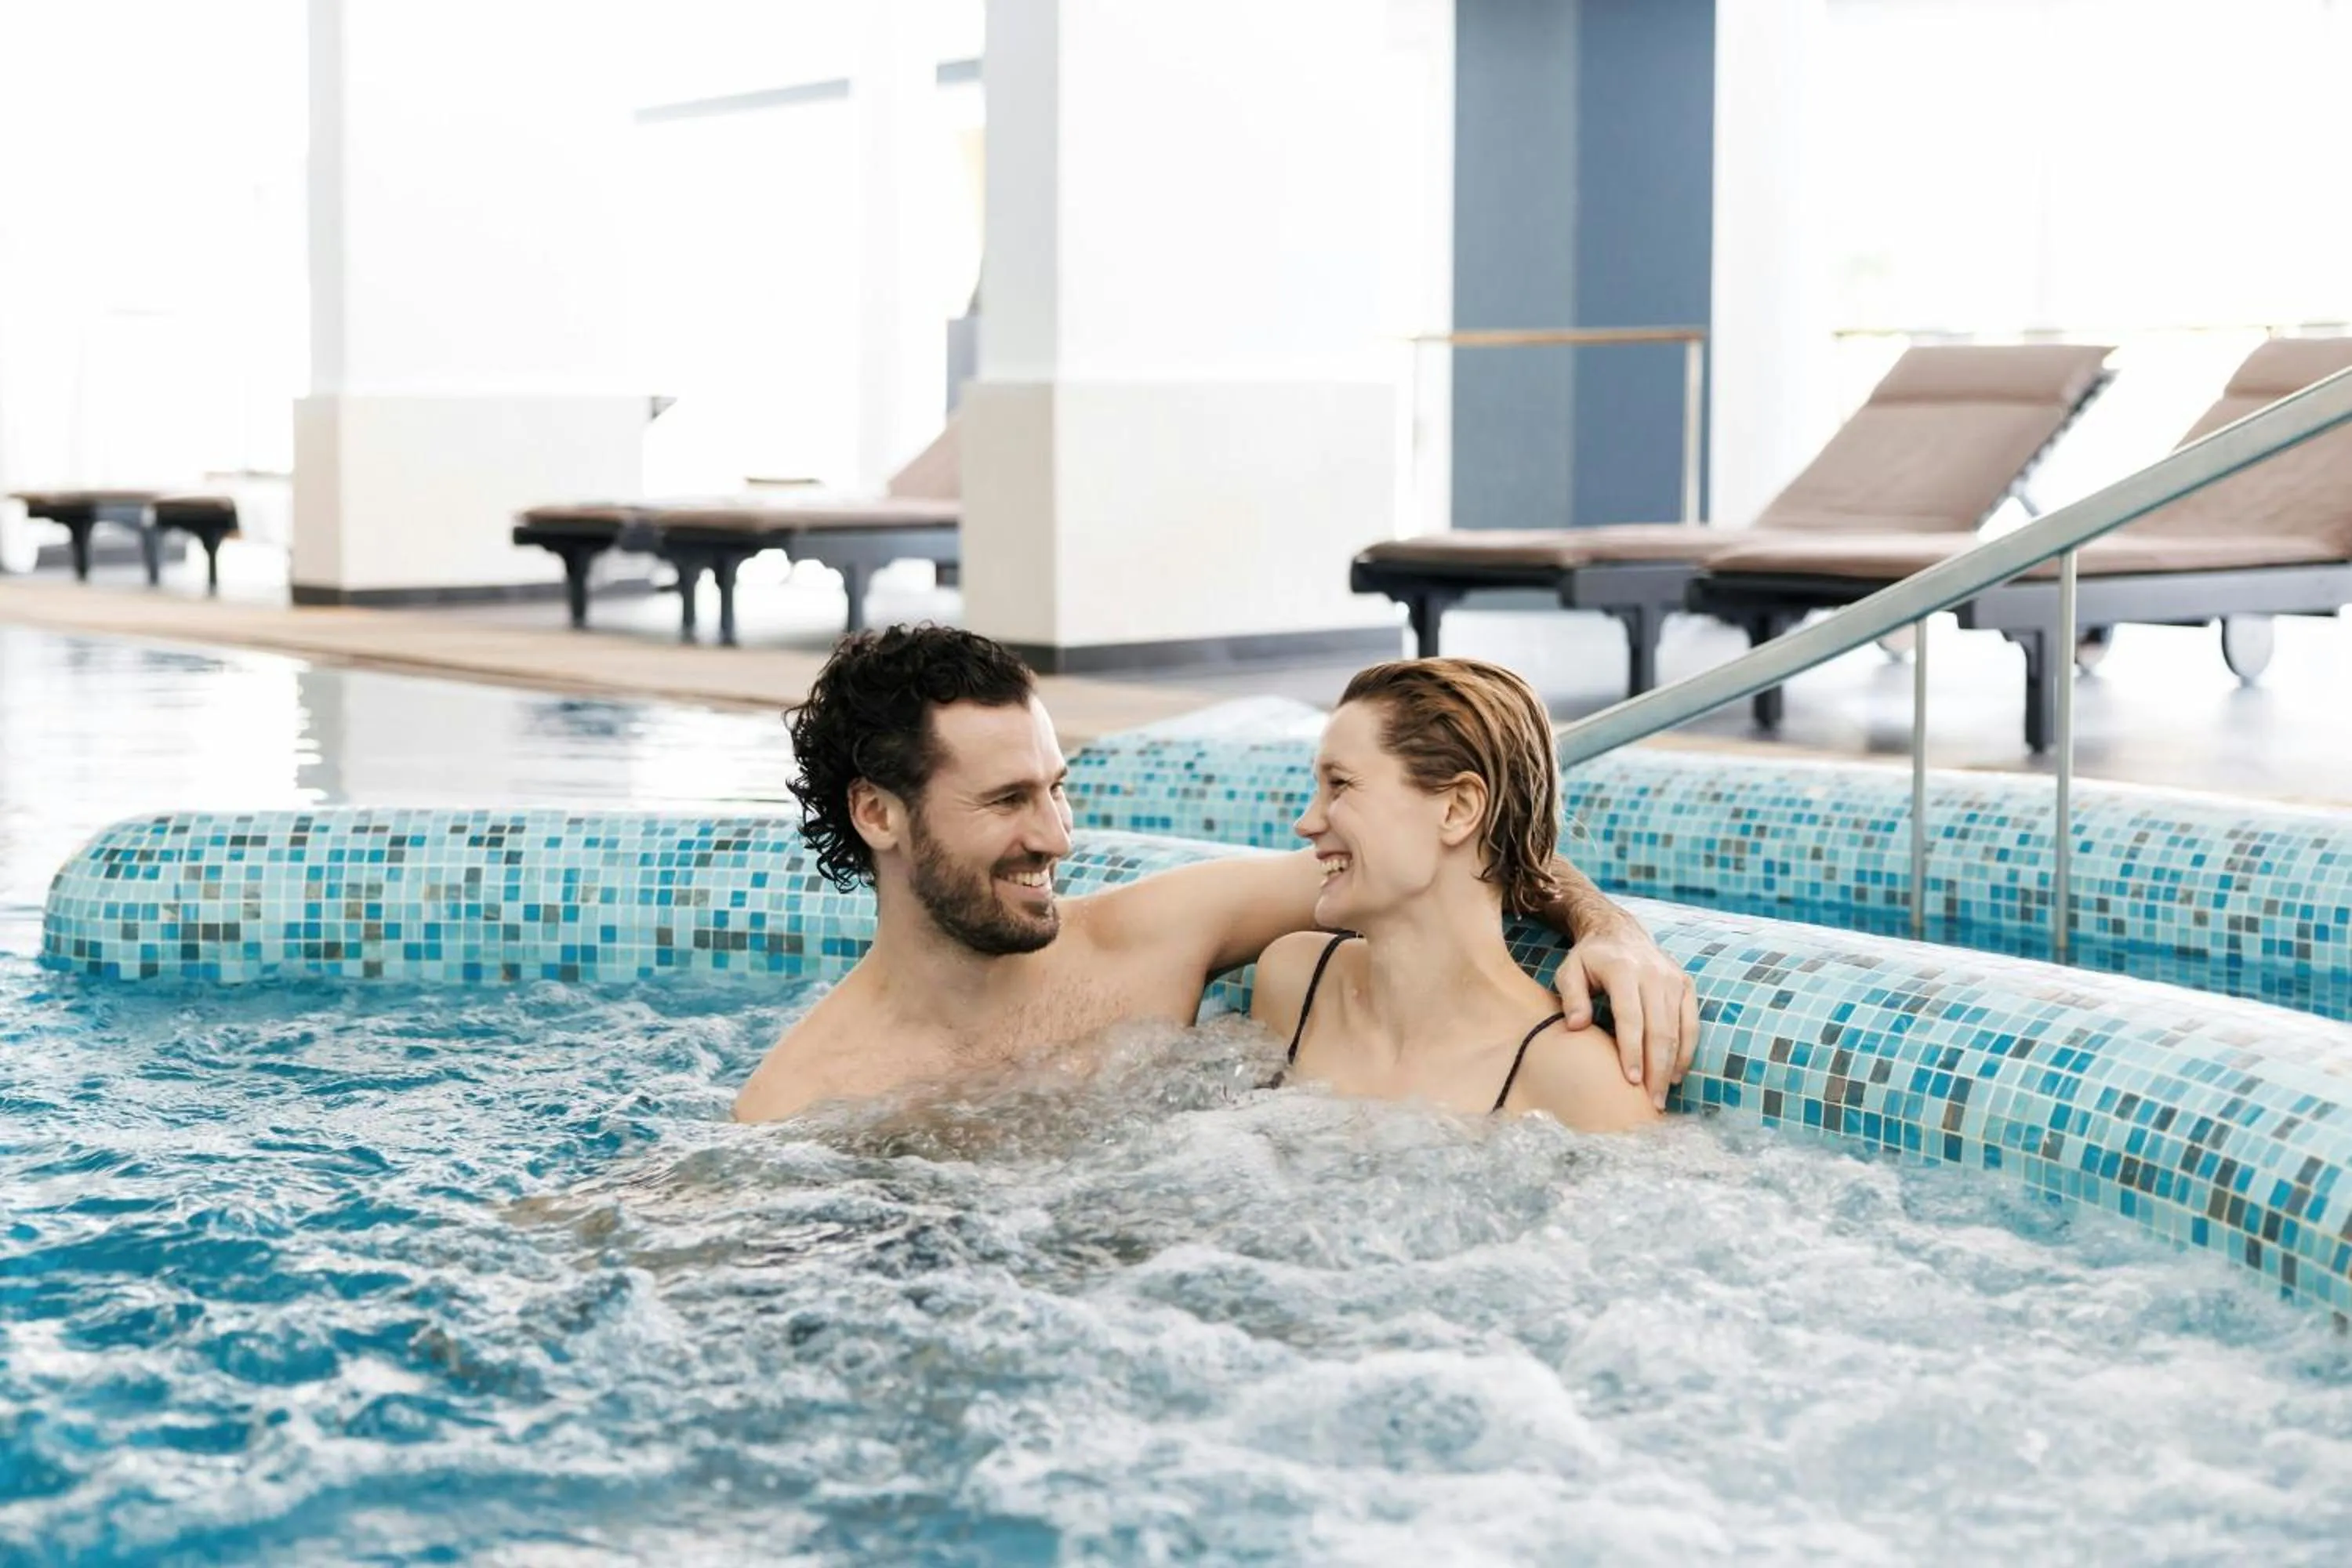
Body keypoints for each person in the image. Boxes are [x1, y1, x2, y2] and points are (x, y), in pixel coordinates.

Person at [731, 626, 1697, 1123]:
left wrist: (1608, 927)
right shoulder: (801, 1098)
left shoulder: (1157, 939)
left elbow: (1448, 862)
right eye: (1007, 800)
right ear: (879, 813)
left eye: (1056, 788)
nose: (1058, 837)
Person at [1253, 659, 1661, 1130]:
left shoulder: (1577, 1080)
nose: (1306, 823)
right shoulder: (1296, 984)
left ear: (1457, 808)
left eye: (1340, 785)